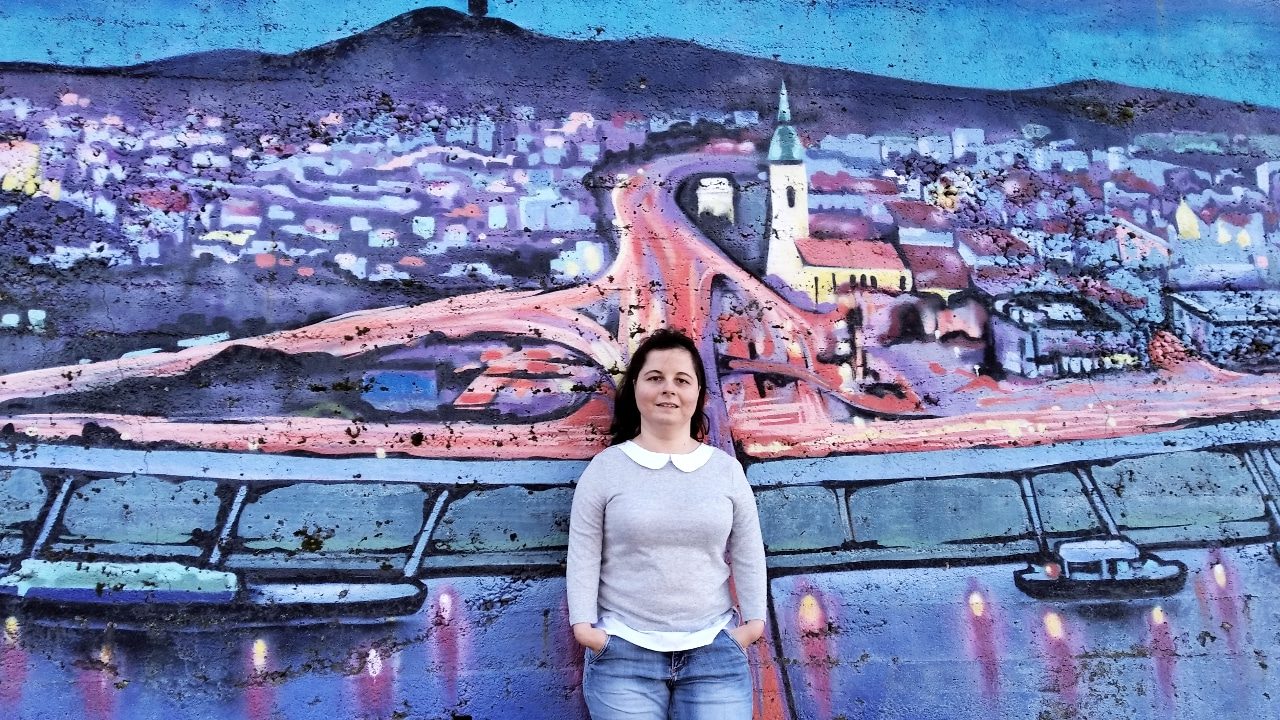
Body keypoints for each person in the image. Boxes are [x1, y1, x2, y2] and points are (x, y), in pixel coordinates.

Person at [566, 328, 767, 719]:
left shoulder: (725, 471)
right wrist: (585, 629)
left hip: (715, 652)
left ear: (699, 393)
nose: (668, 389)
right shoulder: (606, 469)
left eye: (682, 380)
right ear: (635, 388)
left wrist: (753, 626)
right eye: (655, 377)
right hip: (622, 654)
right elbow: (584, 553)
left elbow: (748, 551)